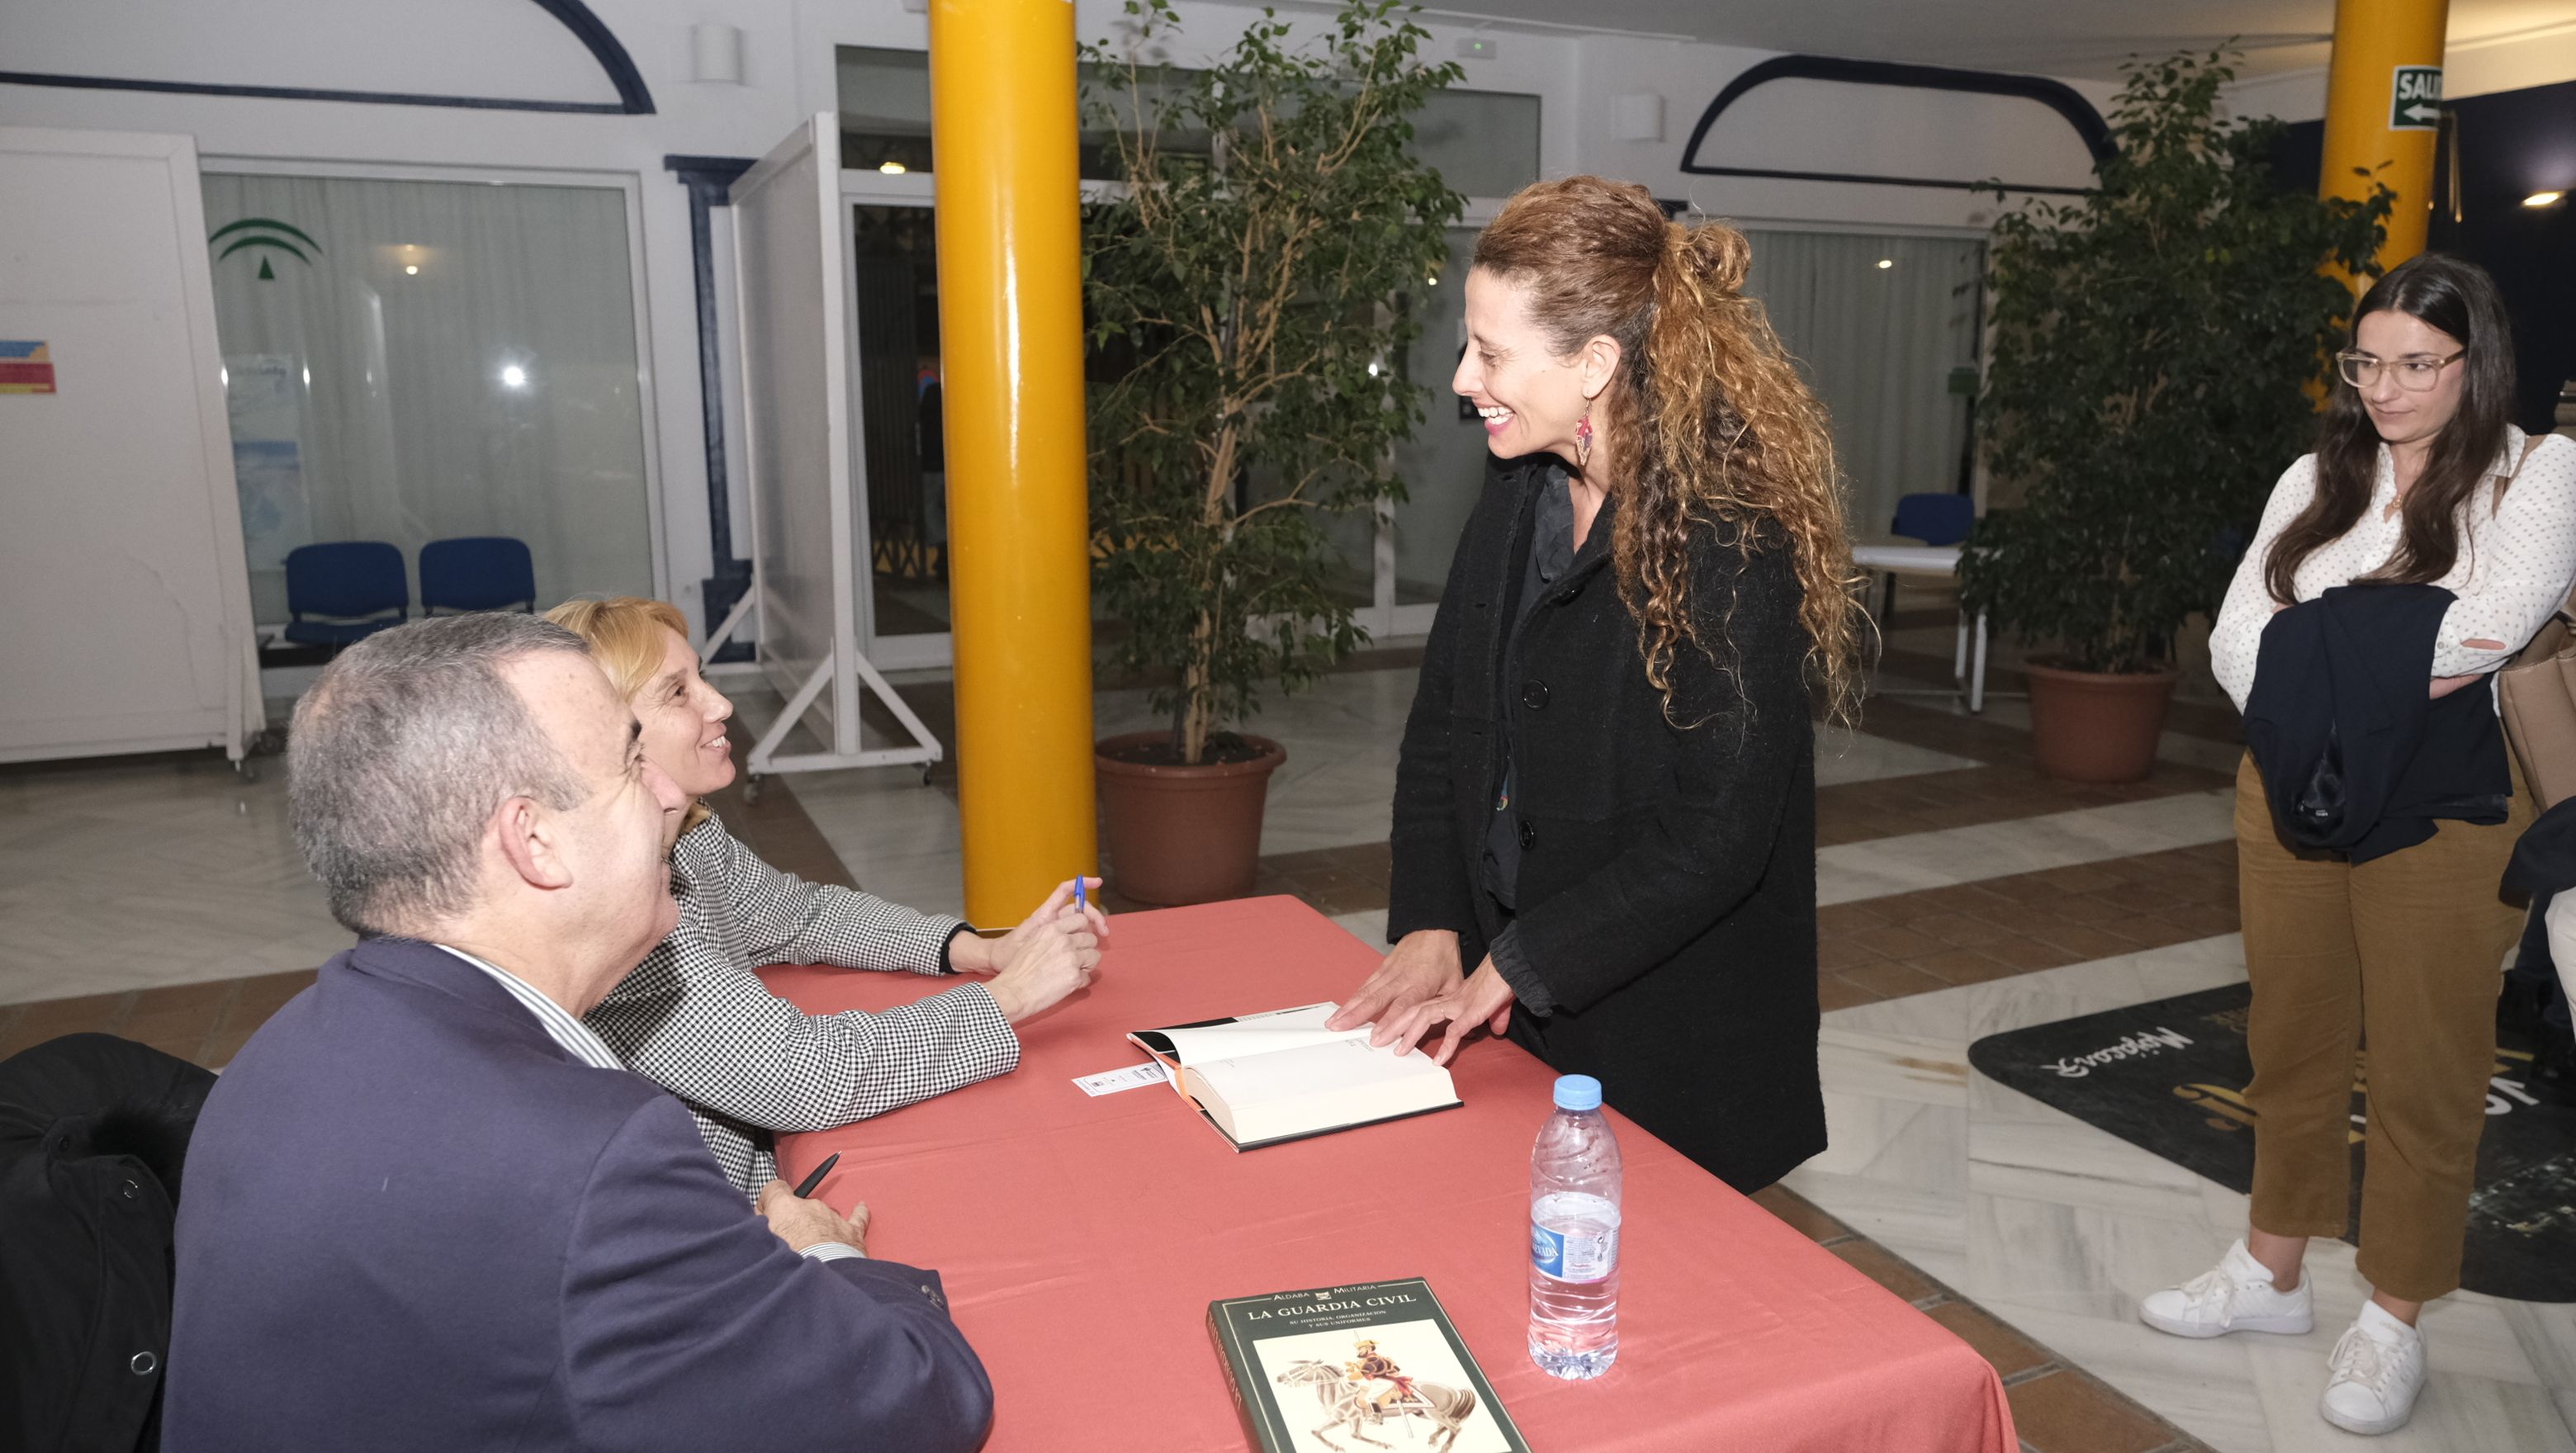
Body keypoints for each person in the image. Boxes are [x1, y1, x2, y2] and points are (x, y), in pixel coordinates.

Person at [165, 614, 993, 1451]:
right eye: (634, 763)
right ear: (535, 840)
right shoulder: (594, 1160)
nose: (673, 794)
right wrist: (826, 1258)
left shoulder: (264, 1064)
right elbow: (914, 1404)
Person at [1330, 176, 1860, 1194]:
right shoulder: (1519, 485)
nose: (1459, 379)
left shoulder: (1732, 539)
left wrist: (1516, 967)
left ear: (1596, 364)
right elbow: (1446, 720)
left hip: (1673, 1042)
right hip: (1516, 1008)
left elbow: (1717, 837)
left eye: (1489, 352)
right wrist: (1434, 920)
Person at [2153, 253, 2576, 1436]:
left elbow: (2493, 625)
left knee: (2425, 1062)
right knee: (2288, 1036)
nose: (2387, 390)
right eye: (2368, 362)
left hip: (2443, 805)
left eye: (2418, 366)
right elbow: (2240, 631)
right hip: (2288, 783)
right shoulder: (2314, 475)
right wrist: (2352, 660)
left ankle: (2393, 1315)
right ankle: (2272, 1269)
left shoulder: (2538, 473)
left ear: (2475, 361)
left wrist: (2321, 654)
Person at [546, 596, 1105, 1199]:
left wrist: (974, 951)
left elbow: (801, 913)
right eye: (678, 693)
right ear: (605, 738)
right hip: (710, 1222)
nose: (721, 703)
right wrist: (1012, 996)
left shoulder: (689, 837)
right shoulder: (612, 920)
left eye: (701, 676)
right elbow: (807, 1076)